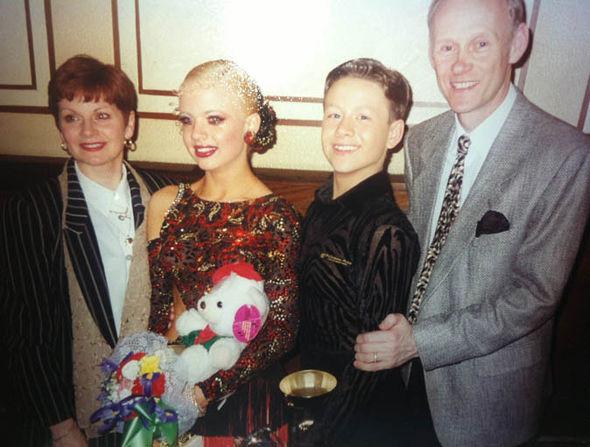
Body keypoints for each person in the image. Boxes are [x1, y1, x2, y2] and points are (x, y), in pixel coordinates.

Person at [354, 0, 590, 446]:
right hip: (406, 375)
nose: (459, 64)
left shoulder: (566, 156)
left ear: (516, 43)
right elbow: (424, 250)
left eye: (480, 43)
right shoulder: (422, 139)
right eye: (446, 47)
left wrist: (419, 341)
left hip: (487, 394)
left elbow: (533, 297)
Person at [0, 55, 173, 446]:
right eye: (72, 117)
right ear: (60, 130)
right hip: (77, 418)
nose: (88, 130)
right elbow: (27, 334)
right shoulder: (35, 210)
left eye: (102, 115)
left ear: (129, 123)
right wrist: (62, 430)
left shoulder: (166, 195)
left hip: (164, 405)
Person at [146, 60, 301, 444]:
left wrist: (205, 392)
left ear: (250, 125)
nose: (197, 134)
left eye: (214, 119)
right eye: (187, 119)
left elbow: (282, 332)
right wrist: (150, 377)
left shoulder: (277, 217)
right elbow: (162, 310)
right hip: (175, 382)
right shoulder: (166, 204)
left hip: (246, 404)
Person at [297, 58, 420, 446]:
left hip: (360, 424)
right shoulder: (320, 206)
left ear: (393, 133)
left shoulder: (386, 232)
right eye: (334, 114)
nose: (344, 129)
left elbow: (372, 366)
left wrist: (321, 437)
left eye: (363, 117)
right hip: (313, 394)